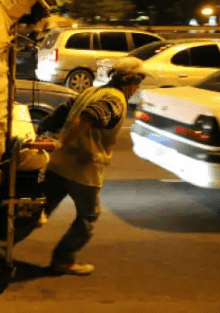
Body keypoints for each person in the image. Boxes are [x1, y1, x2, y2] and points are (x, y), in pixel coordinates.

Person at [40, 57, 146, 276]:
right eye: (138, 82)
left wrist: (43, 131)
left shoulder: (91, 92)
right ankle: (63, 259)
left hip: (58, 164)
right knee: (88, 216)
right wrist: (64, 140)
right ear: (130, 81)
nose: (138, 88)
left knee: (38, 210)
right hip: (83, 169)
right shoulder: (115, 100)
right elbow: (88, 118)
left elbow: (60, 113)